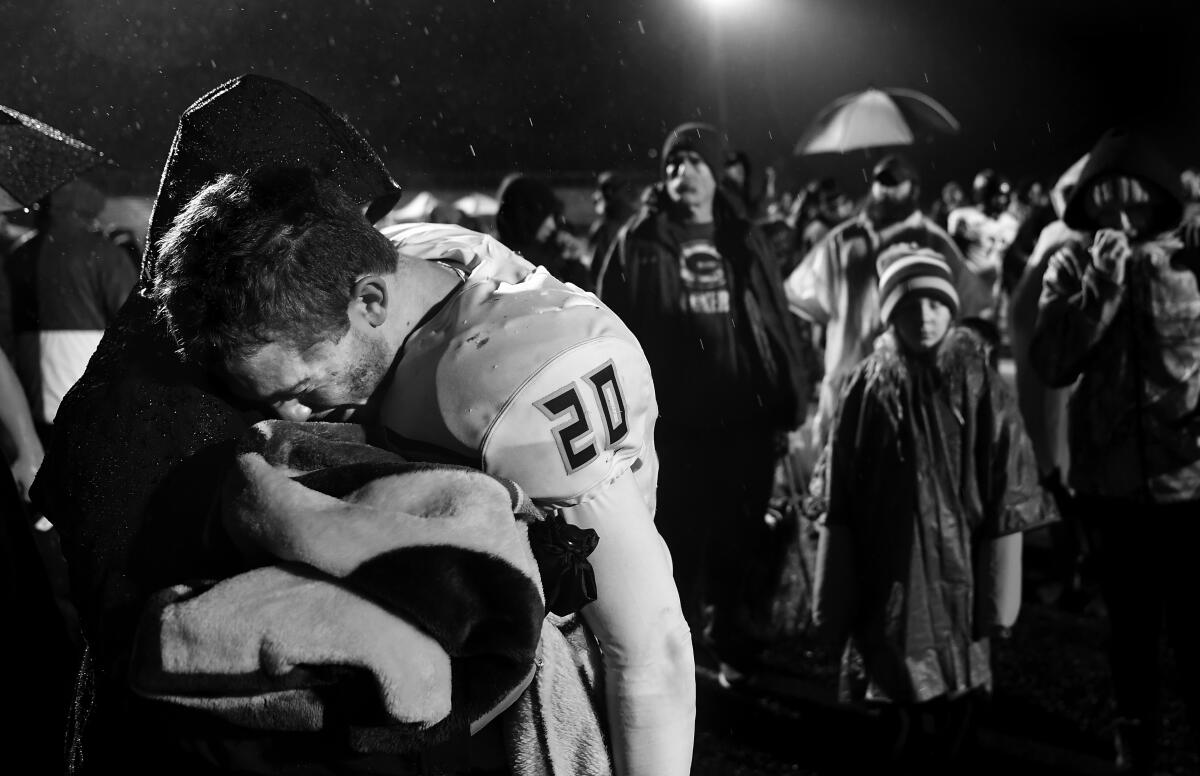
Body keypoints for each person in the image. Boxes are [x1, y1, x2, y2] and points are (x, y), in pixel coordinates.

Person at [149, 168, 695, 776]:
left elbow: (650, 649)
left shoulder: (527, 380)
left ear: (370, 302)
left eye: (302, 388)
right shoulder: (404, 256)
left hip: (548, 692)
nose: (292, 415)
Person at [811, 243, 1055, 770]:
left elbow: (1008, 476)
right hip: (889, 564)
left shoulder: (978, 382)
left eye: (936, 304)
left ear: (952, 309)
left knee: (956, 674)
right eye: (909, 305)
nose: (924, 317)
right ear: (890, 312)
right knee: (895, 670)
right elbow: (840, 486)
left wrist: (1002, 586)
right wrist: (834, 582)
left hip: (960, 564)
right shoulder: (869, 386)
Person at [598, 121, 812, 683]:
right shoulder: (638, 242)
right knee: (681, 538)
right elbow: (607, 327)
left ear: (717, 174)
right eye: (672, 165)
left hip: (745, 418)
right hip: (677, 424)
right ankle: (686, 647)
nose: (681, 174)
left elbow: (775, 320)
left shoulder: (746, 239)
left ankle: (734, 633)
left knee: (740, 534)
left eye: (694, 163)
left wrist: (789, 396)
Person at [1029, 127, 1200, 775]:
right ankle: (1137, 742)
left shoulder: (1191, 258)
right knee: (1129, 630)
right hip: (1110, 486)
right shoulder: (1073, 264)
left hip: (1191, 482)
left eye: (1136, 205)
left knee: (1194, 629)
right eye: (1108, 206)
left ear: (1159, 201)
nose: (1122, 220)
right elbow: (1051, 361)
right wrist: (1101, 280)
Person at [784, 153, 990, 451]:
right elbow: (808, 297)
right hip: (848, 378)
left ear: (913, 189)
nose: (885, 189)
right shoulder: (842, 240)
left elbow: (970, 303)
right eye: (880, 181)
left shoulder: (933, 241)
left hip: (914, 389)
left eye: (894, 183)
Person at [5, 177, 137, 442]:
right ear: (89, 205)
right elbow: (134, 324)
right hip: (91, 402)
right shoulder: (104, 253)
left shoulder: (19, 255)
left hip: (31, 405)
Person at [495, 173, 592, 291]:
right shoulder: (534, 267)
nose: (552, 226)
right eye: (546, 216)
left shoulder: (497, 254)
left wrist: (570, 262)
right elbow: (580, 302)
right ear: (529, 215)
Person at [948, 169, 1020, 326]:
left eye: (1004, 197)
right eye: (997, 197)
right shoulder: (963, 218)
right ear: (984, 196)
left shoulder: (1010, 222)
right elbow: (953, 254)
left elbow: (1010, 257)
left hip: (995, 289)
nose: (1002, 201)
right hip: (969, 287)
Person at [587, 170, 638, 288]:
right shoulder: (636, 223)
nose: (594, 196)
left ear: (609, 193)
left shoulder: (602, 229)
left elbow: (593, 271)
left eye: (599, 190)